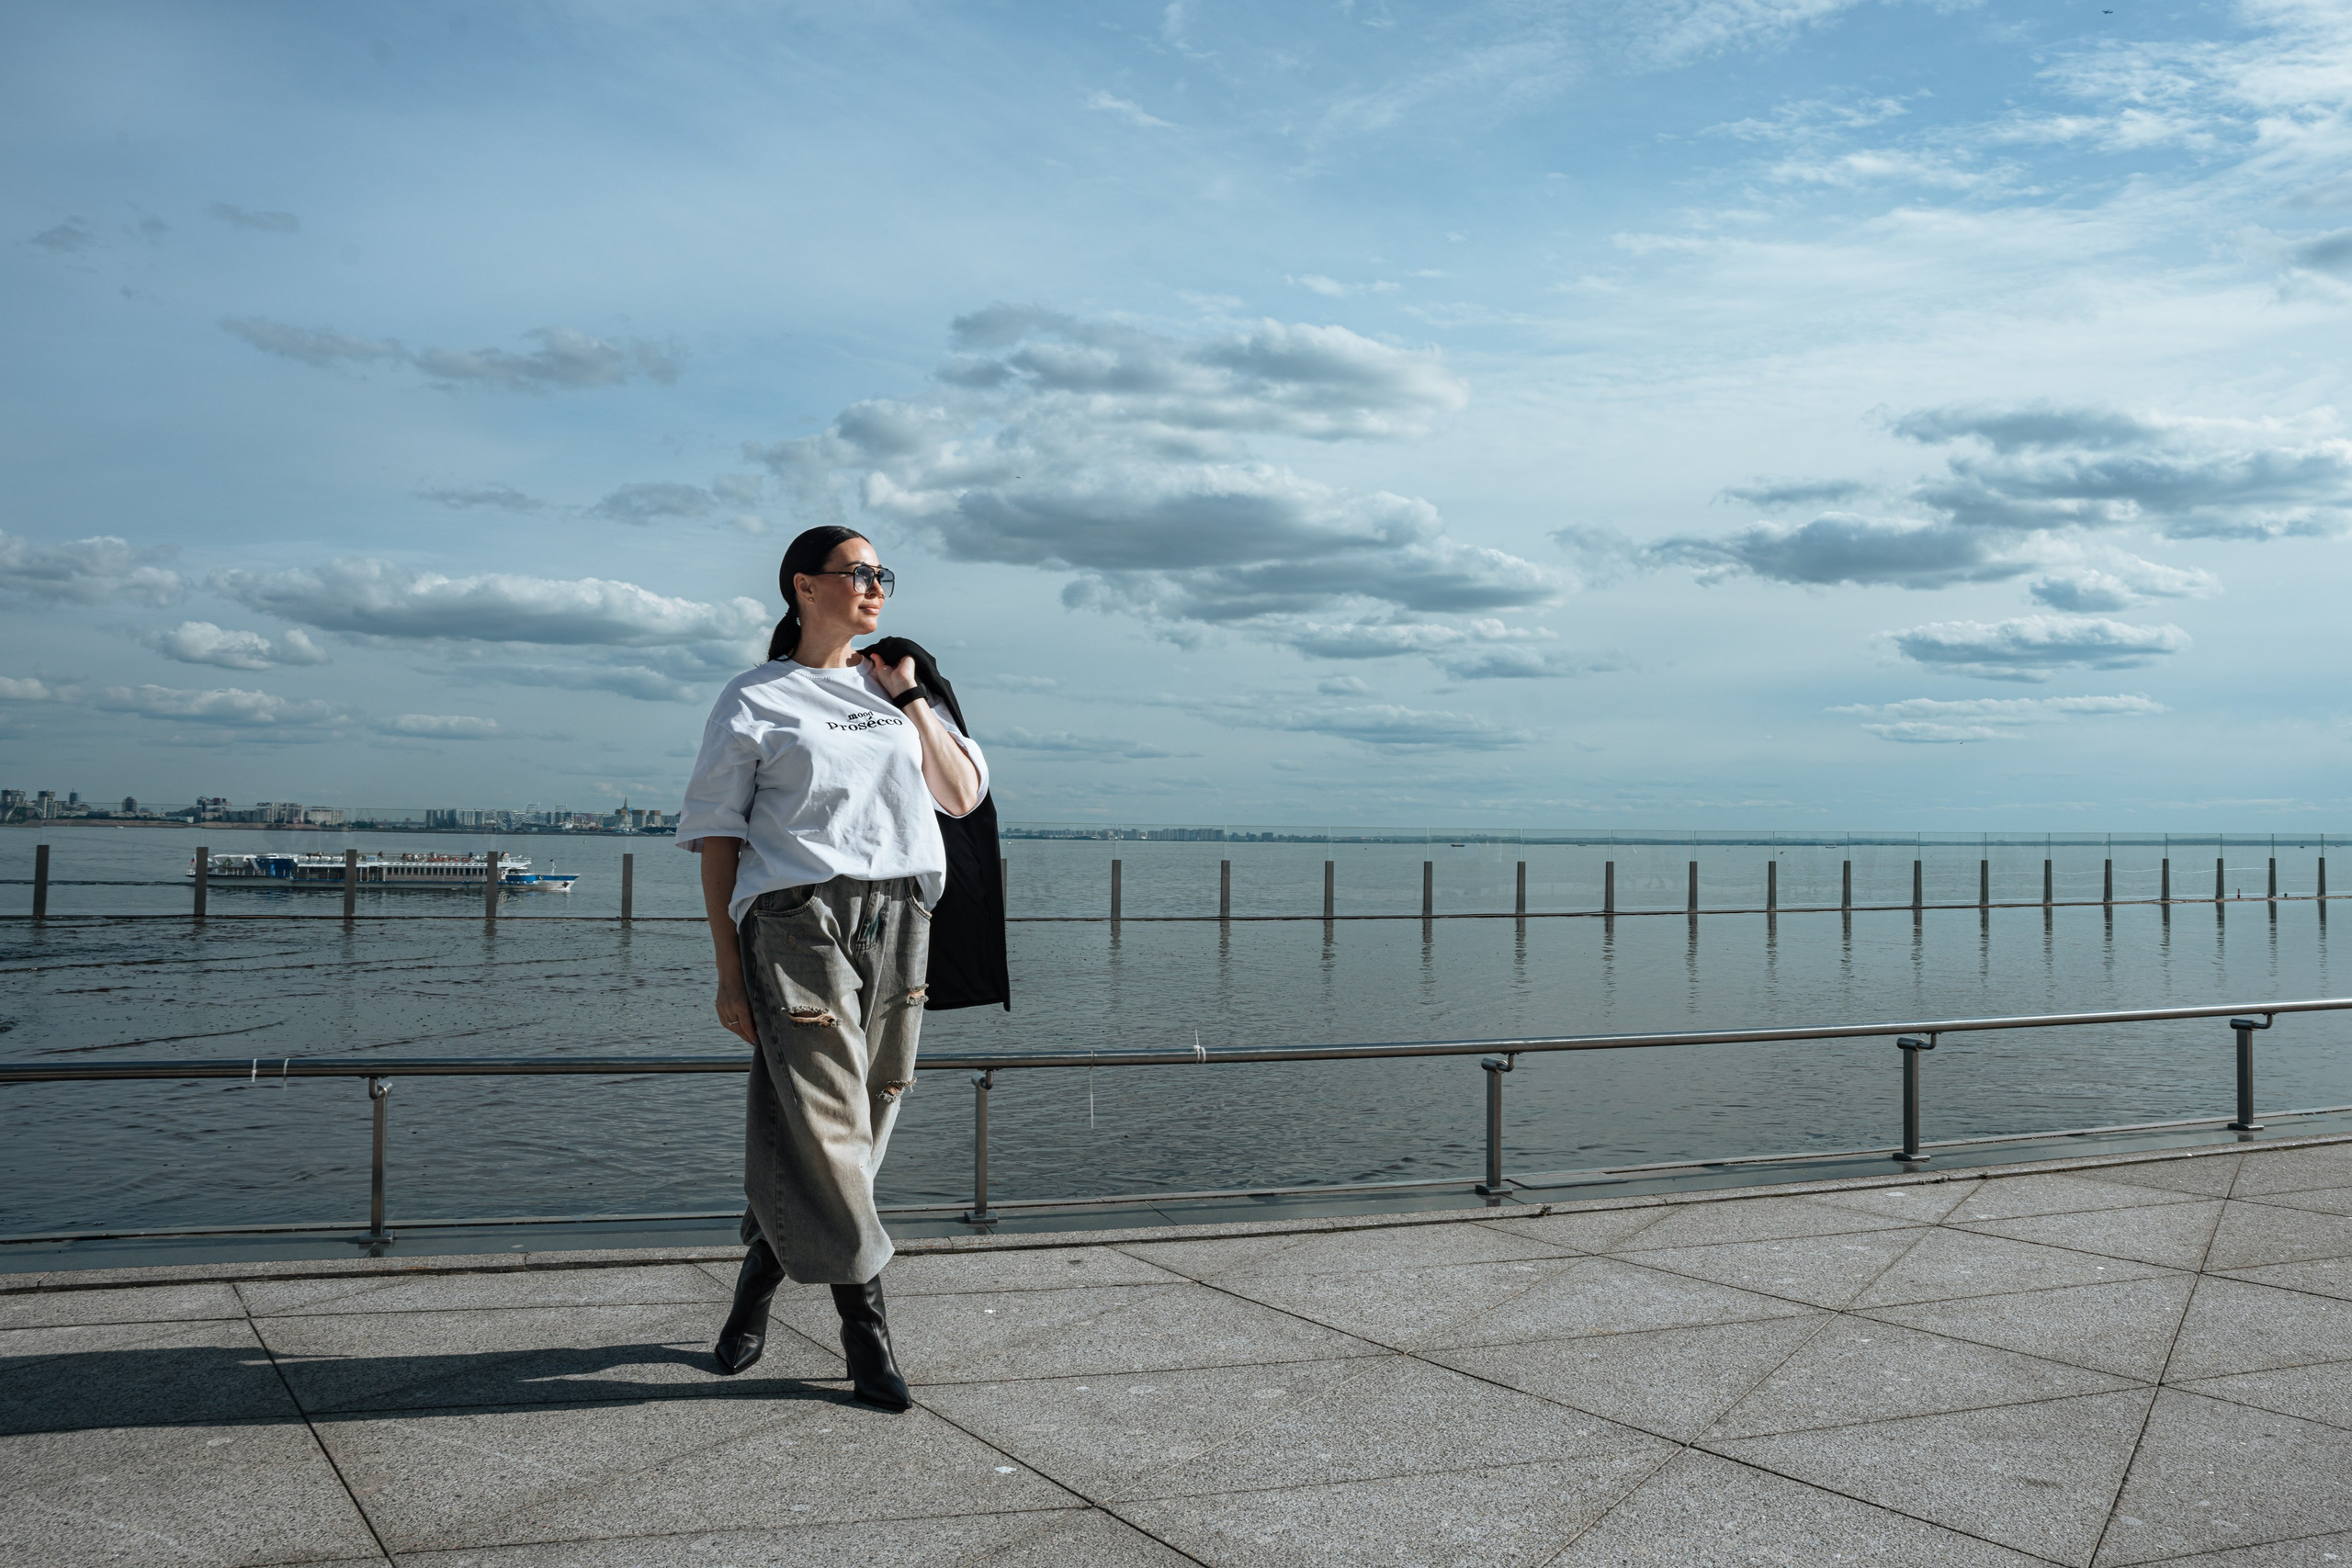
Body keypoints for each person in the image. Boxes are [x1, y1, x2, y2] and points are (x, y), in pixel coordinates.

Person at [674, 525, 985, 1409]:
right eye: (857, 573)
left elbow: (961, 796)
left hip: (900, 915)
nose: (876, 586)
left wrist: (912, 700)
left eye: (883, 573)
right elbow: (718, 838)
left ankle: (763, 1268)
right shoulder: (755, 696)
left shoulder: (900, 683)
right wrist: (729, 970)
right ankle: (866, 1330)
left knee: (874, 1102)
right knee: (825, 1114)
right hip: (794, 919)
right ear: (804, 587)